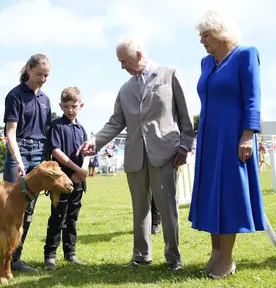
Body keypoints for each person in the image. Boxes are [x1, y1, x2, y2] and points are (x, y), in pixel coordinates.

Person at [77, 37, 194, 270]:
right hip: (135, 157)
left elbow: (185, 114)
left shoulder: (170, 74)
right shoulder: (125, 88)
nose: (122, 67)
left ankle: (173, 258)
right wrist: (95, 141)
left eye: (124, 61)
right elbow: (115, 122)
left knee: (167, 207)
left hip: (166, 153)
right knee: (140, 209)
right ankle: (141, 256)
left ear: (139, 55)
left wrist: (185, 144)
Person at [188, 10, 267, 279]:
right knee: (211, 193)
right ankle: (215, 252)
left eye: (206, 35)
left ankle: (227, 257)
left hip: (234, 137)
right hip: (209, 139)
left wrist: (248, 135)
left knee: (229, 195)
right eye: (201, 36)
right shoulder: (206, 63)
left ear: (221, 32)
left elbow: (253, 98)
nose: (202, 41)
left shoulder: (246, 54)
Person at [0, 53, 52, 278]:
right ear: (28, 70)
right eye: (38, 74)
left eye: (46, 75)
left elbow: (46, 132)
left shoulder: (45, 100)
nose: (42, 79)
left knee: (28, 210)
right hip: (19, 150)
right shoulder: (14, 96)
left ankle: (14, 258)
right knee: (7, 210)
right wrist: (18, 160)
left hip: (39, 153)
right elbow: (10, 133)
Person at [43, 87, 88, 270]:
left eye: (74, 106)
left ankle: (70, 253)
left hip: (78, 180)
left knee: (72, 217)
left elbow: (88, 153)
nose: (70, 110)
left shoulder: (82, 129)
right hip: (61, 182)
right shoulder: (57, 126)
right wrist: (76, 168)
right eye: (67, 106)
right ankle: (50, 256)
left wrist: (83, 171)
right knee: (58, 217)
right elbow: (56, 151)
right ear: (61, 106)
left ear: (81, 106)